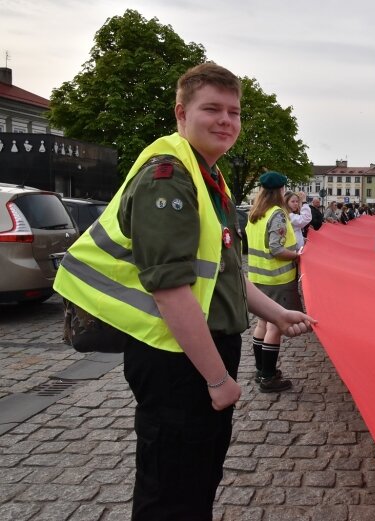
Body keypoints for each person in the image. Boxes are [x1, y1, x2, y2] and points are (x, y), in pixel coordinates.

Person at [52, 63, 315, 520]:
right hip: (177, 359)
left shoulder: (207, 176)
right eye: (211, 108)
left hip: (194, 352)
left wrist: (277, 313)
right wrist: (217, 380)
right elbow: (170, 290)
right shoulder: (170, 177)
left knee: (196, 481)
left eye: (233, 112)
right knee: (171, 493)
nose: (225, 121)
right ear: (181, 113)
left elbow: (225, 274)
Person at [246, 172, 305, 395]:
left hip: (257, 278)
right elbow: (276, 249)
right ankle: (268, 377)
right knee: (273, 327)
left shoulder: (255, 213)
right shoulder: (277, 214)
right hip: (277, 279)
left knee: (262, 324)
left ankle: (261, 369)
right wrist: (298, 254)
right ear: (280, 190)